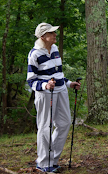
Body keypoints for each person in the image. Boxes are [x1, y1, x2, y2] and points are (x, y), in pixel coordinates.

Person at [27, 23, 80, 173]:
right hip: (45, 94)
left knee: (64, 123)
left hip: (61, 90)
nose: (55, 35)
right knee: (45, 127)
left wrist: (69, 83)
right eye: (52, 33)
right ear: (43, 37)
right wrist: (45, 86)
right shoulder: (35, 54)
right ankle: (44, 163)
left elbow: (58, 74)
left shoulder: (55, 49)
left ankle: (53, 159)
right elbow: (31, 81)